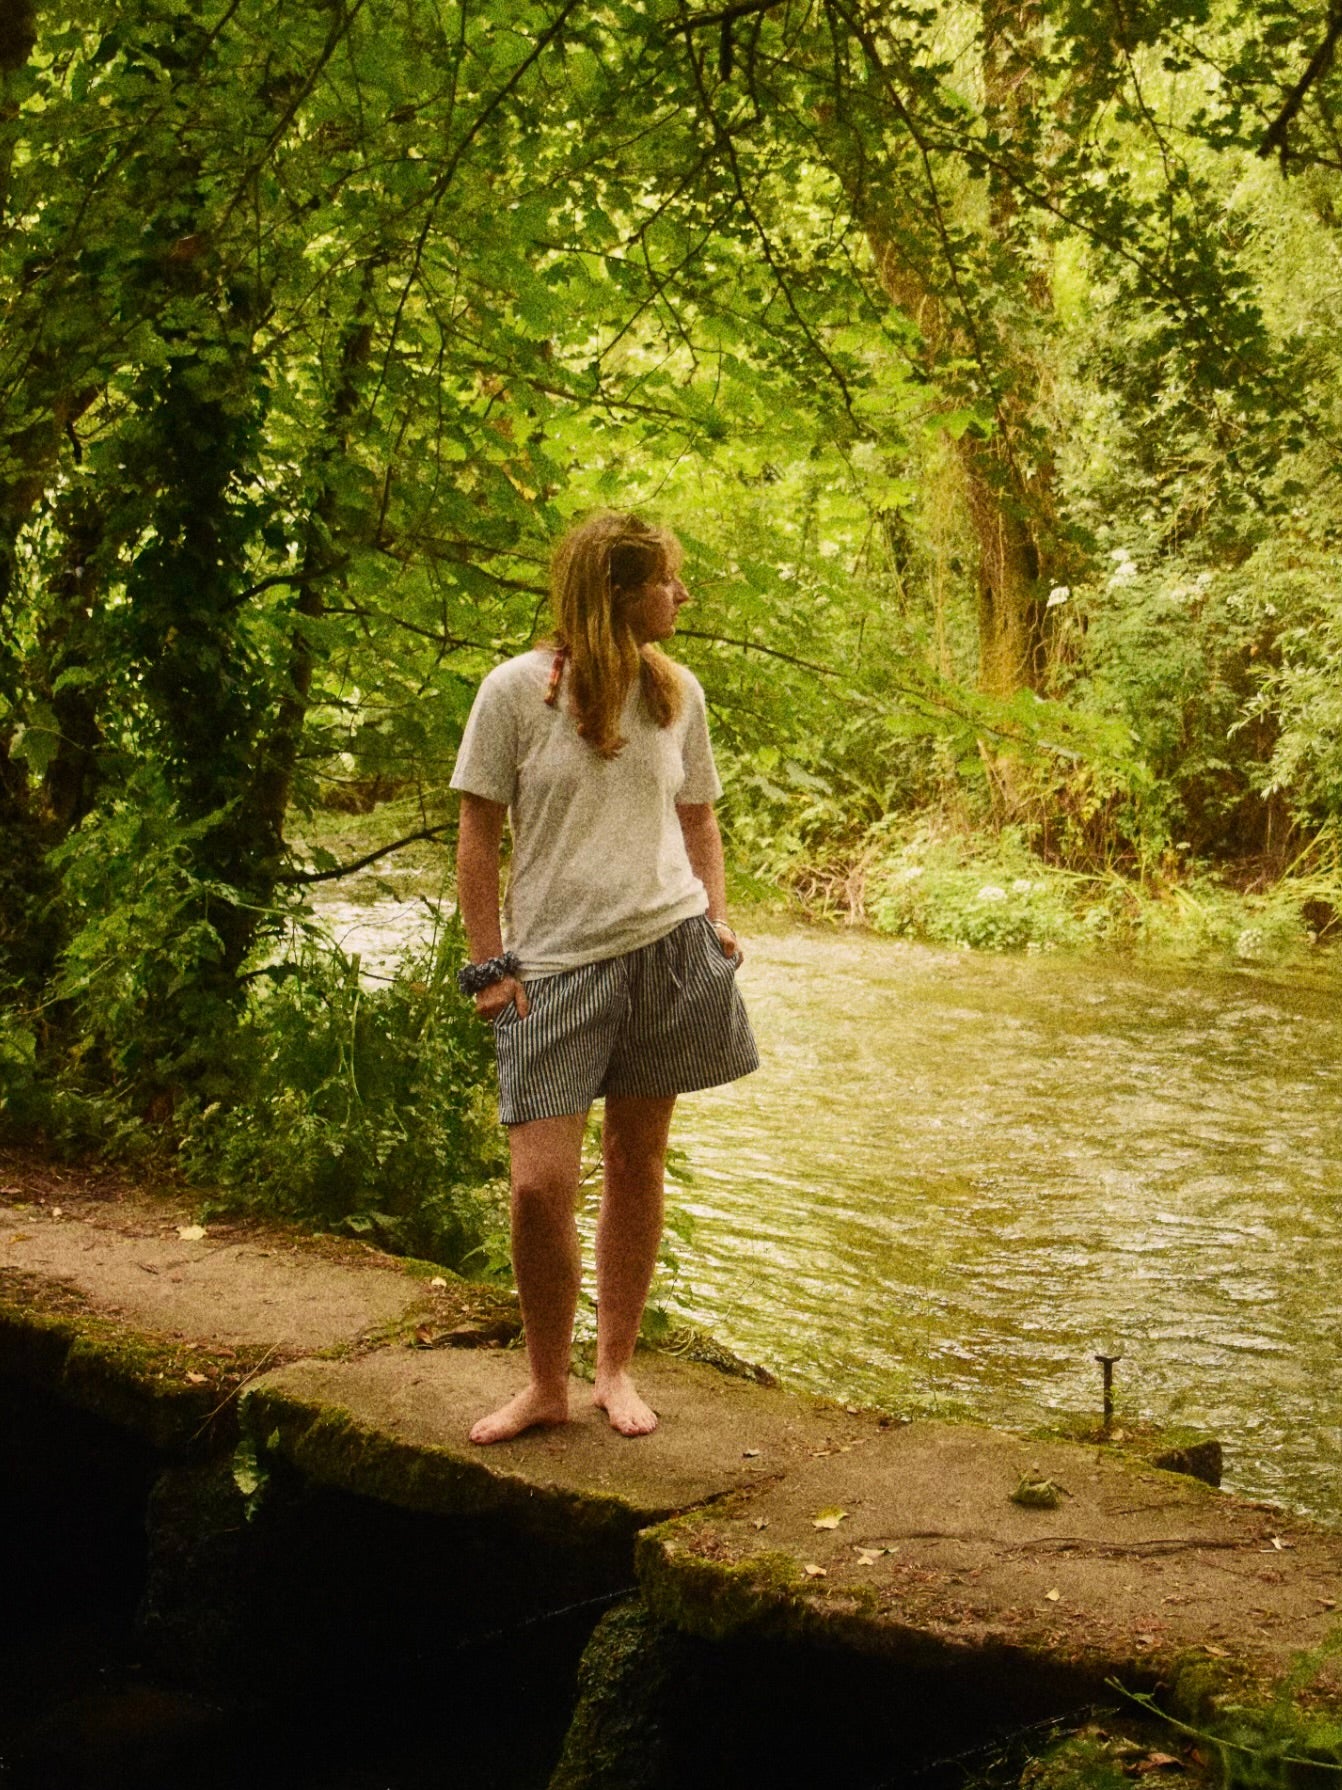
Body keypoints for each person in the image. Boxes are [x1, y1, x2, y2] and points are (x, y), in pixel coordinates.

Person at [450, 511, 758, 1445]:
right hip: (550, 967)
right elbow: (477, 835)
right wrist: (487, 963)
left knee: (636, 1163)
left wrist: (716, 918)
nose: (682, 595)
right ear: (616, 591)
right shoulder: (514, 692)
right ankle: (545, 1384)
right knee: (539, 1187)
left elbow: (699, 817)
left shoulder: (676, 692)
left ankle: (613, 1369)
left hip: (666, 950)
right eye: (666, 579)